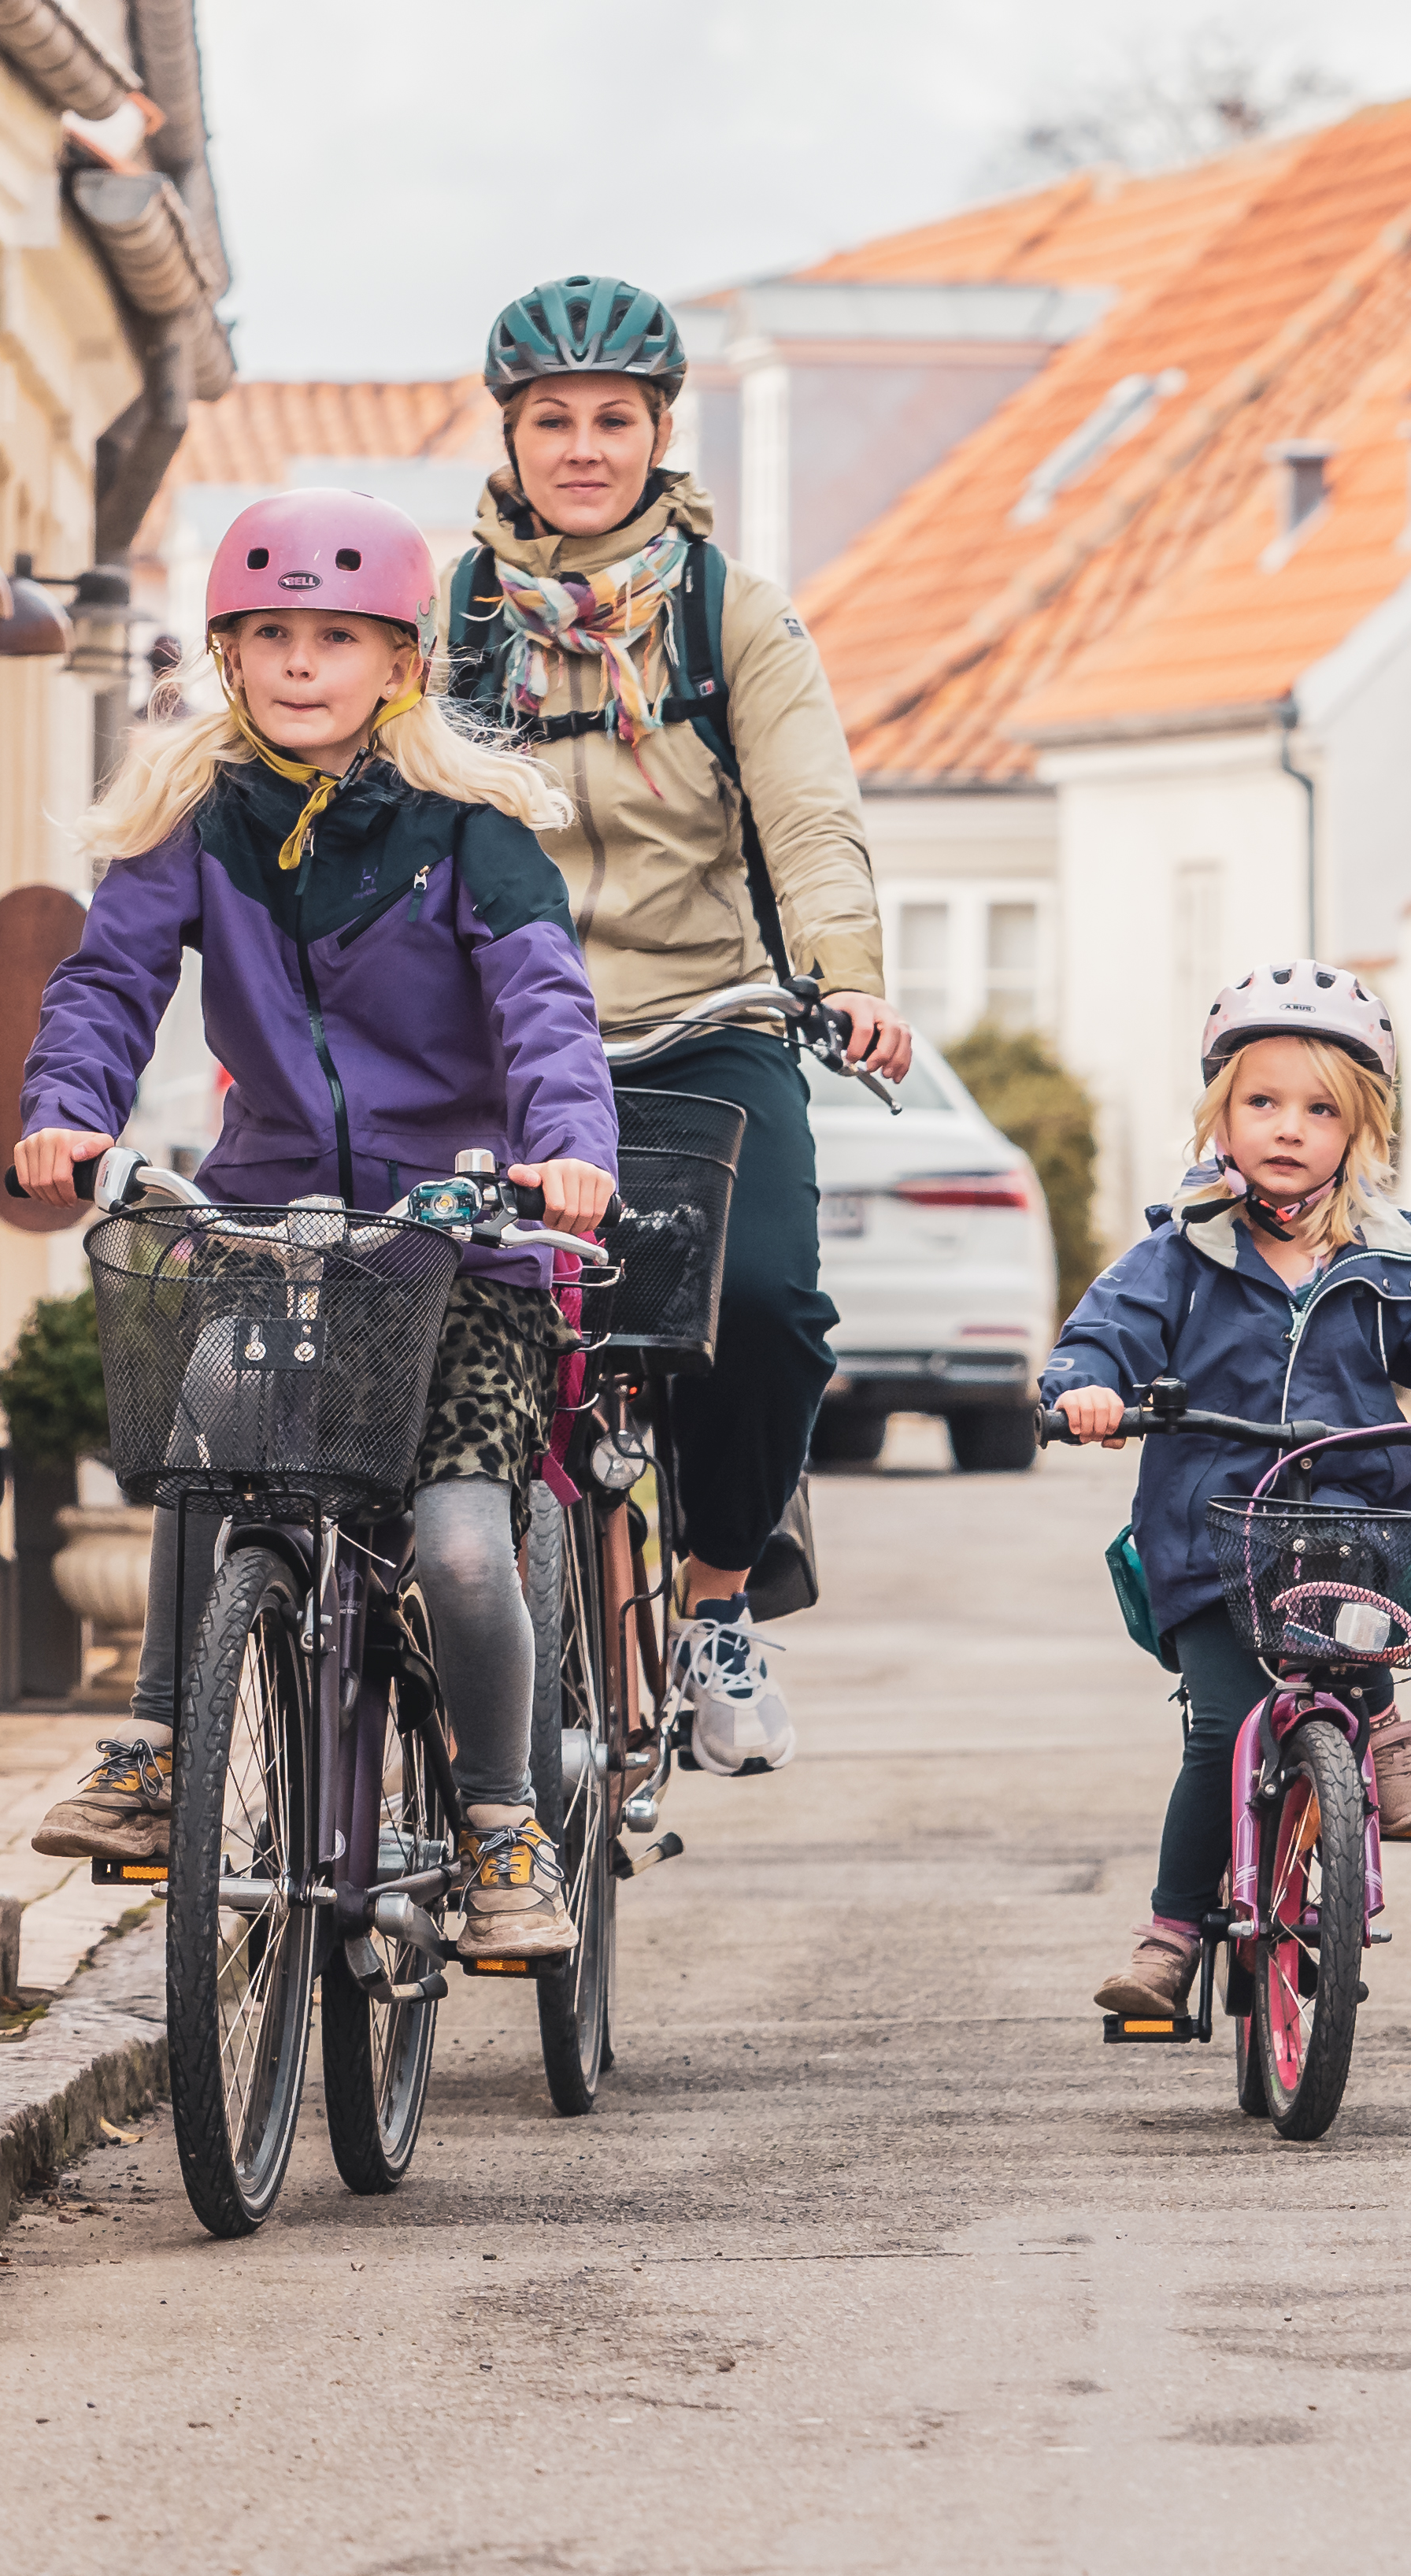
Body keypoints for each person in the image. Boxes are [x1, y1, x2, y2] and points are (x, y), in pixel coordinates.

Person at [17, 489, 618, 1962]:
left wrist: (566, 1152)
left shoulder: (471, 832)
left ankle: (499, 1828)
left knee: (466, 1548)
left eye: (334, 637)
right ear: (228, 656)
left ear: (398, 661)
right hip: (278, 1221)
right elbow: (108, 982)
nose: (299, 663)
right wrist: (68, 1103)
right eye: (268, 634)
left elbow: (545, 1003)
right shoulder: (194, 821)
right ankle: (159, 1753)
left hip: (461, 1239)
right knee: (202, 1437)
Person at [447, 274, 913, 1776]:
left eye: (613, 420)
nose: (583, 448)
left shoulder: (730, 615)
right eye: (552, 421)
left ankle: (718, 1596)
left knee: (768, 1312)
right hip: (500, 1036)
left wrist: (845, 973)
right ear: (510, 438)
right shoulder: (445, 620)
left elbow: (809, 811)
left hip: (703, 1014)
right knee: (436, 1314)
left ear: (659, 433)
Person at [1039, 966, 1411, 2021]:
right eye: (1261, 1103)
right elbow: (1106, 1335)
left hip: (1353, 1540)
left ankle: (1379, 1732)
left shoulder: (1394, 1263)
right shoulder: (1178, 1256)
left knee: (1359, 1655)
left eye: (1320, 1110)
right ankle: (1173, 1937)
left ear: (1360, 1134)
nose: (1287, 1128)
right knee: (1221, 1727)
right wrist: (1085, 1388)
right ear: (1219, 1116)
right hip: (1213, 1545)